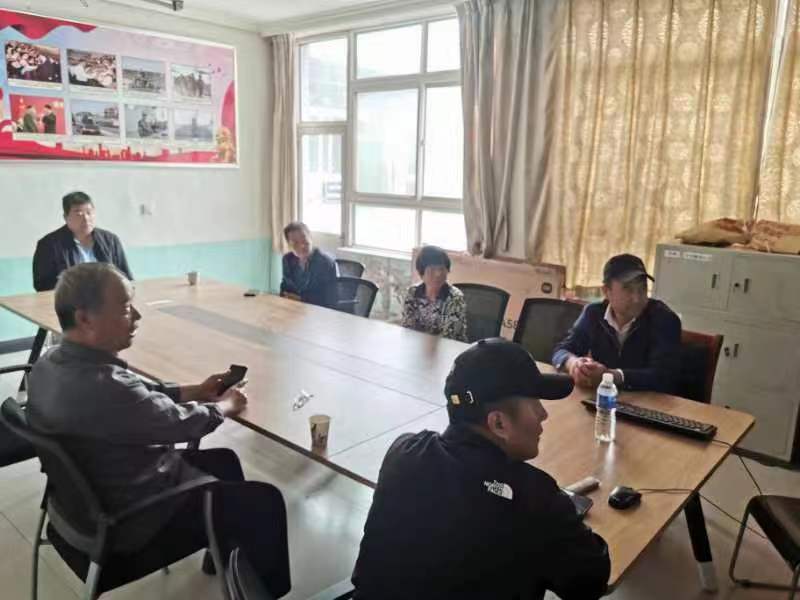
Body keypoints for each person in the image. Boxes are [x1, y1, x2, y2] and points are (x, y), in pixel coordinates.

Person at [26, 263, 291, 597]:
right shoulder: (106, 388)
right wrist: (225, 406)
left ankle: (220, 554)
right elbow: (181, 424)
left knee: (225, 461)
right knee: (265, 502)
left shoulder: (49, 364)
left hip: (78, 511)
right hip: (129, 526)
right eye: (125, 308)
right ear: (85, 319)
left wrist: (196, 390)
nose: (137, 316)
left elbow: (136, 395)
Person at [352, 338, 610, 599]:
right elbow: (591, 582)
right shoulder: (537, 498)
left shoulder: (404, 451)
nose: (543, 414)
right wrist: (562, 514)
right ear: (498, 423)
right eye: (534, 403)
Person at [552, 253, 682, 393]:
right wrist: (574, 364)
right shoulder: (594, 313)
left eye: (642, 289)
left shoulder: (664, 319)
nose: (637, 299)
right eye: (628, 289)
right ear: (606, 291)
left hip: (648, 402)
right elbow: (561, 350)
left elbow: (663, 377)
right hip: (604, 398)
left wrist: (610, 376)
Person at [33, 191, 132, 291]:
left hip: (107, 297)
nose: (86, 218)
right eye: (79, 214)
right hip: (70, 298)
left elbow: (125, 277)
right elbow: (42, 285)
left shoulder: (110, 240)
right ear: (66, 217)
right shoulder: (49, 245)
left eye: (89, 213)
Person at [400, 245, 467, 341]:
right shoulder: (412, 292)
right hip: (417, 346)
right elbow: (407, 330)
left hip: (449, 348)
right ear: (421, 273)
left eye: (441, 269)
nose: (438, 274)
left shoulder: (455, 297)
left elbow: (450, 337)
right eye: (432, 269)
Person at [279, 221, 337, 308]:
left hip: (318, 311)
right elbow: (284, 286)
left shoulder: (325, 263)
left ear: (310, 237)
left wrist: (301, 299)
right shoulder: (287, 259)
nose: (302, 246)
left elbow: (329, 299)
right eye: (295, 243)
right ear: (289, 245)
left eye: (304, 240)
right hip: (293, 308)